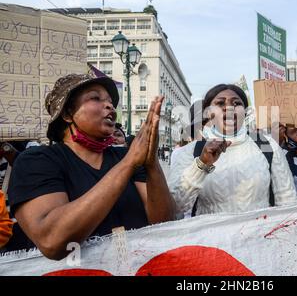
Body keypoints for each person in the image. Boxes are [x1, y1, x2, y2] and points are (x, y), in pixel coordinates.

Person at [7, 74, 175, 259]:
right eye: (95, 98)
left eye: (111, 102)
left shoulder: (125, 156)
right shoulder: (37, 160)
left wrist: (151, 164)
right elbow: (52, 241)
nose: (110, 106)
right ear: (67, 114)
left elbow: (164, 224)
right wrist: (128, 163)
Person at [168, 84, 297, 216]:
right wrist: (202, 164)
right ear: (208, 113)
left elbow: (288, 201)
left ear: (246, 112)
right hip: (210, 236)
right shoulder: (191, 151)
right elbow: (175, 207)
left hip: (260, 235)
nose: (229, 108)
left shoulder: (267, 145)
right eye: (220, 103)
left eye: (236, 103)